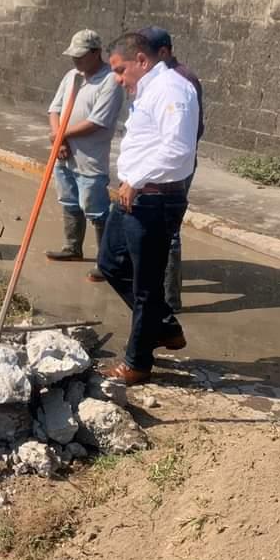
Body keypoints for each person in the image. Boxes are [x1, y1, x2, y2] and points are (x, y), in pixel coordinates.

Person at [99, 31, 200, 385]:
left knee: (146, 285)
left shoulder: (172, 90)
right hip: (134, 193)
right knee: (110, 263)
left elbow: (179, 149)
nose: (117, 78)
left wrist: (138, 180)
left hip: (154, 198)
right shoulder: (149, 90)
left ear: (141, 61)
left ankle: (138, 363)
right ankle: (165, 327)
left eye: (120, 69)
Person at [44, 29, 124, 266]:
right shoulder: (72, 76)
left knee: (96, 209)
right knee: (68, 200)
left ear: (96, 53)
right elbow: (54, 109)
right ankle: (72, 247)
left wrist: (59, 136)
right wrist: (60, 140)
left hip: (89, 158)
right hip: (64, 154)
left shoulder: (110, 80)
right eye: (73, 56)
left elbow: (96, 122)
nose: (75, 60)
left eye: (80, 56)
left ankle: (106, 261)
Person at [144, 27, 203, 311]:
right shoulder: (156, 79)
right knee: (154, 226)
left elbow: (188, 132)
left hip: (173, 166)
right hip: (156, 163)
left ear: (164, 52)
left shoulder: (181, 80)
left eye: (146, 56)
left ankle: (169, 300)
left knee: (169, 231)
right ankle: (155, 290)